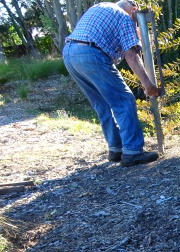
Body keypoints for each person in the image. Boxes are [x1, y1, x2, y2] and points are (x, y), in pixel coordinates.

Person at [62, 0, 160, 167]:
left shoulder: (100, 7)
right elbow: (131, 55)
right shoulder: (124, 17)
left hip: (70, 54)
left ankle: (116, 149)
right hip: (90, 54)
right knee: (125, 100)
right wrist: (148, 84)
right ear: (133, 9)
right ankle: (133, 152)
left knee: (101, 104)